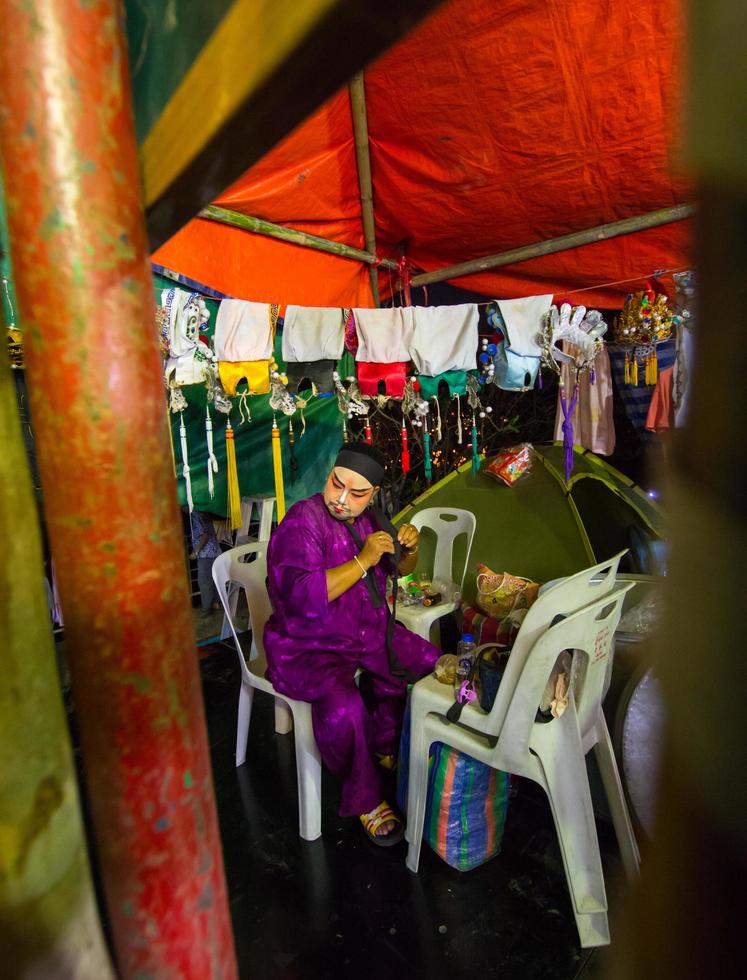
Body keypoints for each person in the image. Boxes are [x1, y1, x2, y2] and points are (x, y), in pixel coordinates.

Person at [264, 443, 440, 845]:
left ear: (373, 495)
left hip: (365, 630)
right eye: (336, 484)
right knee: (343, 709)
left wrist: (409, 549)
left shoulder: (373, 517)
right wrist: (364, 559)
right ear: (330, 475)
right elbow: (303, 595)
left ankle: (384, 744)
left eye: (356, 494)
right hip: (308, 644)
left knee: (423, 661)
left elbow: (399, 568)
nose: (341, 499)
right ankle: (364, 797)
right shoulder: (302, 522)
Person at [188, 509, 222, 613]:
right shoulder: (203, 512)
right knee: (214, 579)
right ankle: (216, 603)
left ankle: (206, 608)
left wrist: (196, 552)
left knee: (204, 582)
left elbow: (204, 535)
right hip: (215, 551)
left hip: (205, 553)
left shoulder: (195, 515)